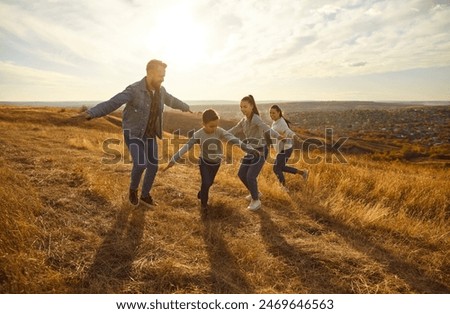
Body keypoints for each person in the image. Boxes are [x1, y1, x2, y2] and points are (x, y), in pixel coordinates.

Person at [73, 59, 192, 207]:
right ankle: (133, 190)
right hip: (134, 134)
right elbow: (113, 102)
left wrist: (185, 107)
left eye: (164, 75)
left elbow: (172, 100)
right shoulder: (134, 90)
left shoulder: (161, 90)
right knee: (141, 163)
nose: (163, 78)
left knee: (153, 166)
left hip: (150, 135)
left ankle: (145, 195)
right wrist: (91, 113)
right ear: (149, 73)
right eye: (160, 75)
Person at [164, 109, 259, 212]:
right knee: (206, 182)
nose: (214, 128)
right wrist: (174, 159)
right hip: (204, 161)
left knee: (209, 183)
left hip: (216, 163)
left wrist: (249, 149)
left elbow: (234, 140)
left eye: (216, 125)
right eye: (211, 126)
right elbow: (186, 147)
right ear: (204, 124)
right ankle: (204, 206)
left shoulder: (219, 131)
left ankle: (202, 193)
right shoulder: (198, 134)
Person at [227, 95, 283, 211]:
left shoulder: (255, 118)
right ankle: (255, 192)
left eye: (245, 106)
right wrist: (221, 134)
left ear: (252, 106)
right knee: (242, 174)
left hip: (260, 150)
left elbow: (266, 128)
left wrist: (278, 136)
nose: (243, 109)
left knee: (250, 176)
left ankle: (256, 201)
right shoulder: (243, 120)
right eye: (241, 107)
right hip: (251, 150)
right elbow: (234, 130)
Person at [269, 105, 308, 191]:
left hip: (285, 149)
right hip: (282, 149)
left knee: (276, 168)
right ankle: (303, 173)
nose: (271, 115)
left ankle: (284, 187)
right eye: (270, 113)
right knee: (281, 167)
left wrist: (296, 137)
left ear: (279, 113)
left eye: (273, 113)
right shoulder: (276, 121)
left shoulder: (281, 123)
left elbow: (288, 131)